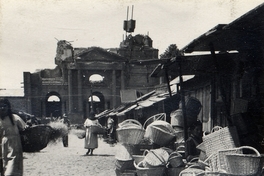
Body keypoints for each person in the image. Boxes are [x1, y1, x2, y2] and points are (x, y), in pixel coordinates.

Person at [0, 98, 27, 176]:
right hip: (3, 149)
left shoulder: (15, 118)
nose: (2, 108)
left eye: (4, 106)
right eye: (0, 106)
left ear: (8, 107)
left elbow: (25, 129)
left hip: (15, 148)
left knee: (11, 171)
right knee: (4, 169)